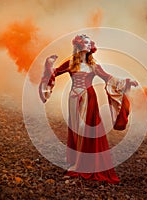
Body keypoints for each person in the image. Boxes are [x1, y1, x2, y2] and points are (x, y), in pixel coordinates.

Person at [39, 34, 138, 184]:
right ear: (78, 45)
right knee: (75, 129)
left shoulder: (94, 65)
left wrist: (127, 81)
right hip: (73, 98)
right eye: (84, 42)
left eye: (88, 42)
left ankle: (81, 165)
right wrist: (48, 64)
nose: (87, 44)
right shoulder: (71, 62)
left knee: (83, 128)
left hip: (88, 98)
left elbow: (108, 78)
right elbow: (54, 73)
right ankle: (75, 163)